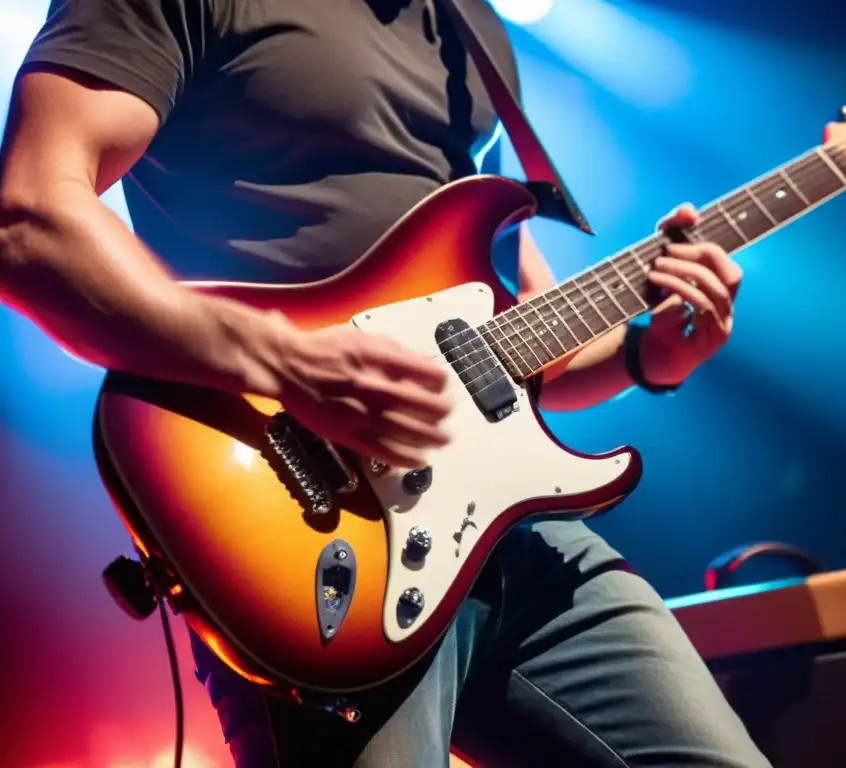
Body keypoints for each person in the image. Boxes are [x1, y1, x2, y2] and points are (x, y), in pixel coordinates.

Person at [0, 0, 768, 766]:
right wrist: (281, 360)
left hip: (506, 532)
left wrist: (652, 354)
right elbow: (32, 221)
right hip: (306, 531)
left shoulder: (472, 27)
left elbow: (523, 339)